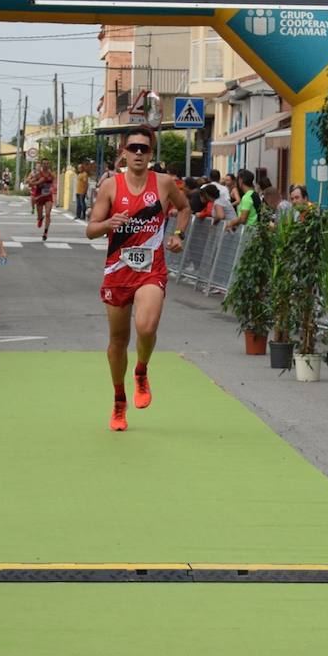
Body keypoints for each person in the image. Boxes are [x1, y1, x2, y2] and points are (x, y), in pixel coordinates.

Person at [85, 126, 190, 431]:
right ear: (124, 152)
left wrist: (178, 235)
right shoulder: (110, 187)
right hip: (117, 273)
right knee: (118, 340)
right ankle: (119, 400)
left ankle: (141, 371)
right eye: (134, 148)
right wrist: (108, 223)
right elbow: (90, 229)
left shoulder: (164, 183)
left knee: (146, 326)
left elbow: (184, 208)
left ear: (151, 153)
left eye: (145, 148)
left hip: (150, 271)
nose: (139, 153)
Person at [32, 160, 56, 240]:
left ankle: (45, 232)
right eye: (44, 164)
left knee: (48, 214)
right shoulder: (38, 174)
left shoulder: (51, 175)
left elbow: (54, 184)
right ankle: (40, 218)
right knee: (39, 215)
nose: (46, 165)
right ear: (42, 165)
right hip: (39, 196)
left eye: (47, 163)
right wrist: (38, 182)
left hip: (48, 197)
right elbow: (30, 183)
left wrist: (53, 187)